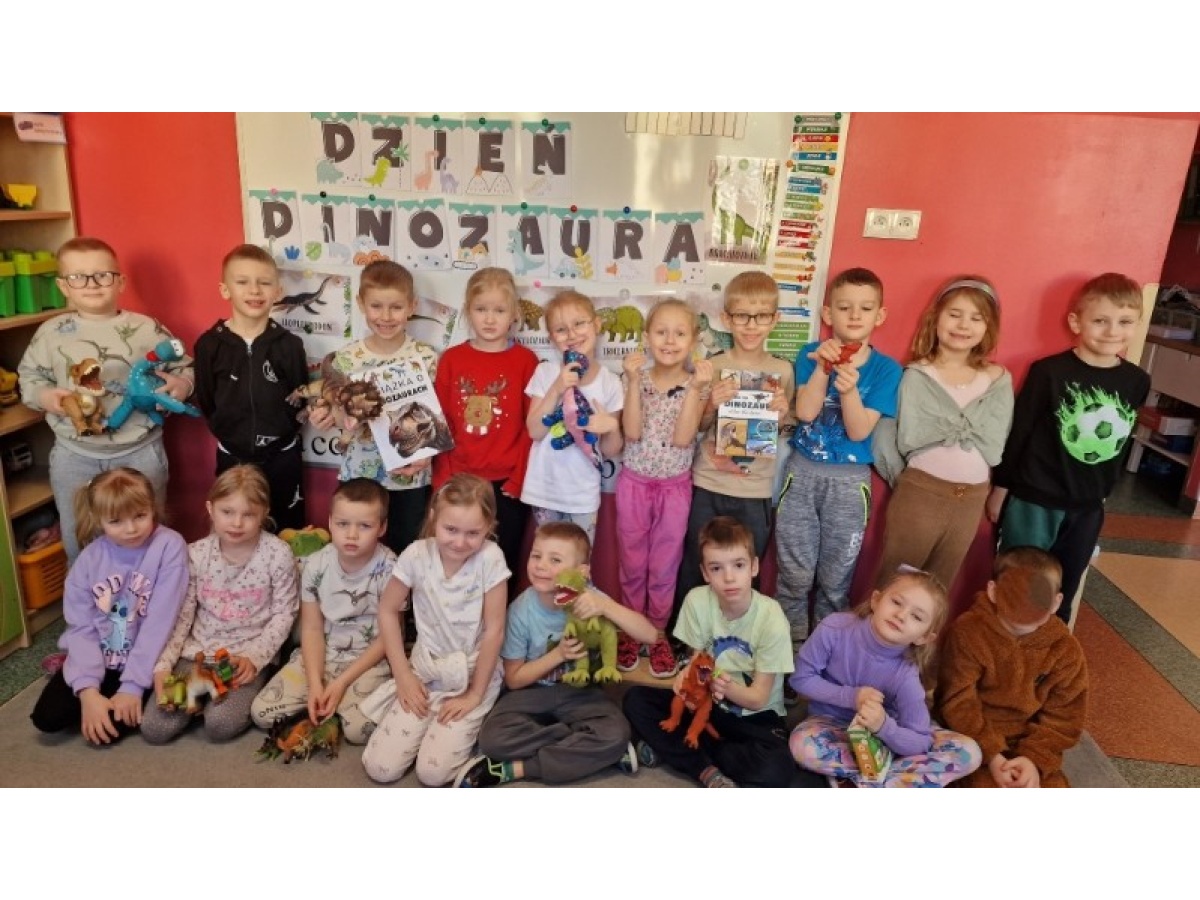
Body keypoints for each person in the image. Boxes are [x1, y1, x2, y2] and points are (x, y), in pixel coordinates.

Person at [986, 273, 1151, 624]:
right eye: (1100, 320)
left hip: (1087, 507)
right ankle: (1000, 652)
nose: (1112, 331)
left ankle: (1047, 651)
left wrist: (1104, 492)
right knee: (1018, 586)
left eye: (1125, 322)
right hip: (1034, 500)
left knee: (1062, 592)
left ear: (1137, 325)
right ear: (1076, 322)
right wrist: (1001, 488)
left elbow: (1120, 443)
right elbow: (1020, 432)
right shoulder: (1049, 372)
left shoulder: (1137, 381)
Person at [18, 237, 194, 563]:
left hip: (140, 451)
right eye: (78, 277)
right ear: (63, 286)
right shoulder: (50, 332)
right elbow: (28, 378)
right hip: (75, 455)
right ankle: (87, 592)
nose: (91, 284)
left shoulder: (147, 329)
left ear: (120, 282)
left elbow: (184, 367)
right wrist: (45, 395)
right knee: (79, 538)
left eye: (102, 275)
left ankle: (152, 587)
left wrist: (182, 385)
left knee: (147, 535)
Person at [453, 521, 658, 787]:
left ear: (581, 572)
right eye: (536, 555)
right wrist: (559, 655)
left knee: (616, 733)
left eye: (555, 560)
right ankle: (586, 746)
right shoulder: (520, 610)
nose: (541, 565)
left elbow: (650, 635)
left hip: (581, 693)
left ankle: (517, 769)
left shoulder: (592, 599)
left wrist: (606, 606)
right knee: (492, 738)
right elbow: (514, 679)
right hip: (530, 693)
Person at [774, 267, 901, 648]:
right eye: (844, 308)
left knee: (835, 581)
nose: (855, 315)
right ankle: (788, 654)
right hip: (801, 475)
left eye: (865, 308)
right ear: (828, 314)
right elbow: (806, 412)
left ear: (880, 315)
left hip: (849, 484)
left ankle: (826, 651)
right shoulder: (809, 353)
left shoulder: (886, 369)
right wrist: (821, 368)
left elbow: (860, 431)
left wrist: (848, 391)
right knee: (794, 576)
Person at [623, 516, 796, 788]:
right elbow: (695, 661)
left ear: (753, 566)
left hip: (754, 716)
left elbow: (758, 699)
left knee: (777, 768)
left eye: (738, 565)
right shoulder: (696, 600)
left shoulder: (772, 618)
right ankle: (704, 769)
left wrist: (722, 684)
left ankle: (685, 751)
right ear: (705, 573)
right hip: (706, 705)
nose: (729, 577)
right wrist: (685, 676)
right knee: (635, 700)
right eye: (716, 568)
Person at [360, 474, 509, 785]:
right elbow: (387, 610)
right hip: (425, 672)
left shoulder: (491, 558)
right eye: (450, 529)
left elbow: (494, 631)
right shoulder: (416, 554)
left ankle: (473, 730)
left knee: (432, 773)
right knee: (380, 768)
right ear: (433, 518)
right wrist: (403, 676)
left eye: (473, 533)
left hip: (472, 674)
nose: (460, 542)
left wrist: (474, 695)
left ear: (489, 527)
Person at [872, 275, 1013, 596]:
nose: (964, 325)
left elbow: (1000, 436)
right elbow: (885, 432)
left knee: (938, 589)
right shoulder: (916, 375)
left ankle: (923, 634)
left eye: (976, 318)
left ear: (988, 327)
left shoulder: (996, 379)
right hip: (919, 494)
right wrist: (905, 481)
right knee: (895, 580)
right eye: (955, 314)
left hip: (971, 500)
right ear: (936, 318)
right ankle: (874, 629)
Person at [142, 465, 299, 744]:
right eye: (227, 512)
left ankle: (215, 700)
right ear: (211, 509)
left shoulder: (278, 554)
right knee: (155, 728)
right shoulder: (196, 554)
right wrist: (163, 666)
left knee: (219, 725)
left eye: (248, 514)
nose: (237, 523)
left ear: (264, 513)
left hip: (243, 659)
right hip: (195, 656)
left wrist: (255, 658)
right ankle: (198, 699)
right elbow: (181, 617)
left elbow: (284, 614)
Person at [30, 468, 188, 744]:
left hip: (151, 659)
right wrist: (88, 690)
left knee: (112, 730)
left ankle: (133, 695)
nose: (131, 529)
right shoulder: (87, 561)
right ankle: (90, 687)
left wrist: (132, 686)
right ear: (98, 519)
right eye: (116, 521)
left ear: (153, 507)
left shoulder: (170, 545)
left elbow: (160, 623)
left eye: (140, 516)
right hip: (104, 656)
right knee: (47, 718)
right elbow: (81, 628)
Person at [789, 568, 982, 788]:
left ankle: (869, 778)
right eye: (896, 602)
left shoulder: (906, 676)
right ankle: (883, 778)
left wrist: (883, 726)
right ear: (876, 600)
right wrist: (852, 697)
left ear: (924, 637)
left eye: (916, 617)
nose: (901, 615)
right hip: (831, 725)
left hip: (889, 736)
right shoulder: (835, 628)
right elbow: (800, 679)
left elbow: (920, 741)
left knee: (969, 753)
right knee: (802, 746)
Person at [674, 272, 795, 617]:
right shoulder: (712, 366)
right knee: (696, 563)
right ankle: (686, 635)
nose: (751, 325)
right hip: (709, 483)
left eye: (761, 316)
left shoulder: (783, 371)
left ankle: (738, 634)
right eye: (742, 315)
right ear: (726, 319)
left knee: (745, 571)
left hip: (755, 490)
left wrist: (782, 415)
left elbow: (784, 428)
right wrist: (711, 404)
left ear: (775, 319)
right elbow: (698, 427)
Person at [249, 478, 395, 745]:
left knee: (357, 730)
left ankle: (338, 706)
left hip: (367, 662)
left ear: (382, 527)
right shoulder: (316, 564)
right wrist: (316, 683)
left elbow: (390, 638)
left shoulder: (391, 569)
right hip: (322, 655)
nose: (351, 535)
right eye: (342, 524)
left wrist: (341, 683)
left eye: (364, 526)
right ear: (329, 522)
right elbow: (312, 628)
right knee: (262, 713)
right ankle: (327, 702)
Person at [315, 259, 439, 557]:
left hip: (410, 478)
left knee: (407, 554)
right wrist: (327, 416)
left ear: (412, 306)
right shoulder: (346, 359)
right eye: (376, 306)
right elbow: (338, 414)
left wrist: (427, 453)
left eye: (396, 307)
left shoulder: (425, 357)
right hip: (359, 475)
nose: (385, 316)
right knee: (355, 553)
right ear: (360, 304)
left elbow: (432, 418)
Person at [936, 546, 1088, 787]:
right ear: (994, 591)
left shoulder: (1065, 650)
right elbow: (957, 701)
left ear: (1056, 602)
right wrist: (992, 755)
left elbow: (1065, 717)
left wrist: (1033, 759)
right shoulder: (968, 632)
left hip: (1031, 744)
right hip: (972, 739)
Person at [616, 298, 711, 678]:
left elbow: (684, 438)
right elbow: (631, 431)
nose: (669, 341)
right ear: (646, 337)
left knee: (664, 566)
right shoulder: (635, 378)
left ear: (693, 341)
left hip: (674, 488)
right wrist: (633, 382)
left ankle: (656, 633)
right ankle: (630, 629)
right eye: (661, 332)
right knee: (632, 562)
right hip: (634, 484)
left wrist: (696, 388)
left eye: (679, 333)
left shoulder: (697, 384)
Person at [432, 267, 539, 594]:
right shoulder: (452, 359)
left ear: (514, 314)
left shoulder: (526, 361)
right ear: (468, 311)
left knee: (501, 563)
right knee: (455, 558)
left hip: (506, 485)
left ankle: (497, 622)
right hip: (459, 481)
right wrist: (444, 476)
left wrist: (519, 479)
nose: (490, 319)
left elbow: (531, 427)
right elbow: (440, 421)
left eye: (499, 310)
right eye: (481, 309)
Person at [193, 243, 309, 532]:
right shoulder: (209, 345)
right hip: (232, 456)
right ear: (225, 290)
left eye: (264, 283)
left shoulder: (290, 345)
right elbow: (206, 399)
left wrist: (283, 433)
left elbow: (301, 397)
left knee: (287, 533)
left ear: (278, 292)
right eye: (243, 282)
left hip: (282, 457)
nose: (254, 290)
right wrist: (227, 430)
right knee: (236, 530)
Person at [521, 289, 623, 545]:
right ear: (551, 338)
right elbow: (535, 431)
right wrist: (556, 388)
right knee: (548, 557)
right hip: (544, 490)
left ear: (596, 325)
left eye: (579, 324)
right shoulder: (545, 373)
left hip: (583, 494)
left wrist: (611, 427)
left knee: (578, 562)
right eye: (561, 329)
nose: (572, 334)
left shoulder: (610, 382)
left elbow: (610, 450)